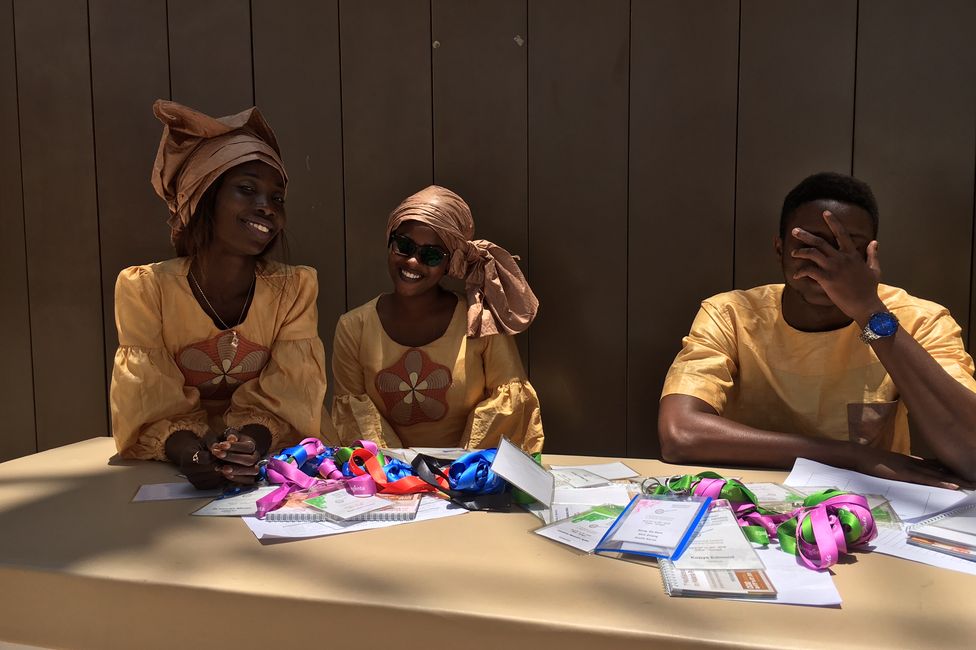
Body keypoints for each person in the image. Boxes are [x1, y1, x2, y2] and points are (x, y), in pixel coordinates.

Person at [658, 172, 976, 488]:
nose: (827, 262)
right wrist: (852, 457)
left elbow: (971, 453)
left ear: (871, 255)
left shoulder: (921, 319)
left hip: (871, 503)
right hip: (756, 495)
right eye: (809, 245)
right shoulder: (731, 314)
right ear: (780, 248)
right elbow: (680, 433)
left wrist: (868, 310)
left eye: (847, 248)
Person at [110, 100, 329, 488]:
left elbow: (291, 396)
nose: (267, 207)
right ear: (204, 198)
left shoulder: (294, 288)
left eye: (277, 198)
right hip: (170, 465)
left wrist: (249, 445)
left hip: (273, 463)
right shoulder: (145, 288)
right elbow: (148, 401)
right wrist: (191, 454)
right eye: (247, 189)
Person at [331, 185, 544, 453]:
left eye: (431, 255)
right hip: (387, 474)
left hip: (467, 473)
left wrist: (458, 469)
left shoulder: (480, 320)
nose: (412, 261)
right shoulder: (354, 327)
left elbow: (508, 408)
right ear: (389, 244)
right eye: (404, 246)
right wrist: (400, 470)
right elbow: (356, 419)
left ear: (450, 263)